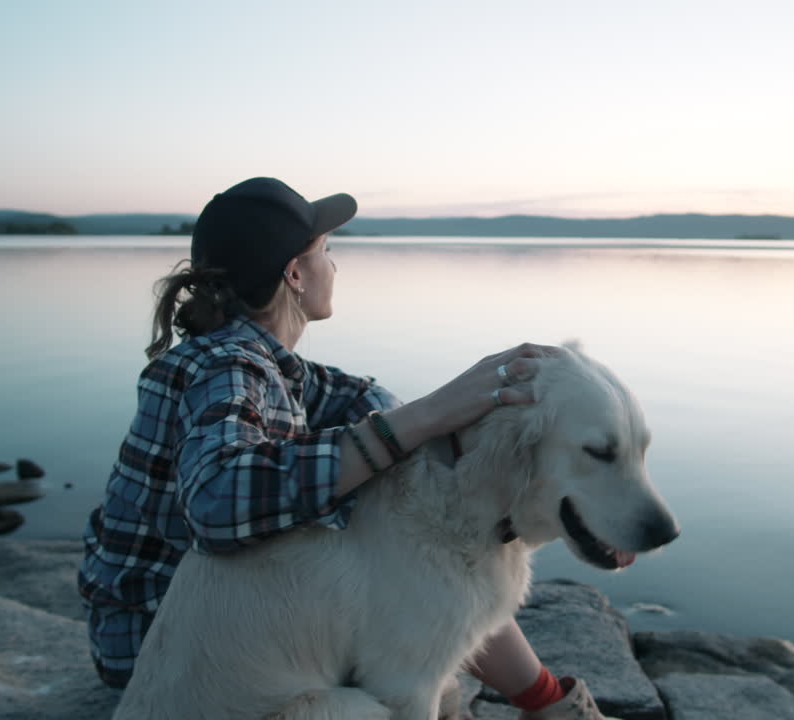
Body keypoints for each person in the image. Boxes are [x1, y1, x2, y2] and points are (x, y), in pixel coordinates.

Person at [77, 177, 616, 719]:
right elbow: (219, 499)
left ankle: (545, 700)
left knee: (429, 538)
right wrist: (418, 422)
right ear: (294, 273)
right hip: (178, 650)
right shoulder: (226, 368)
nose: (334, 267)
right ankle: (549, 703)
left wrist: (462, 415)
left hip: (245, 625)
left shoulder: (268, 365)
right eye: (326, 253)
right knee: (433, 578)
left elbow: (364, 399)